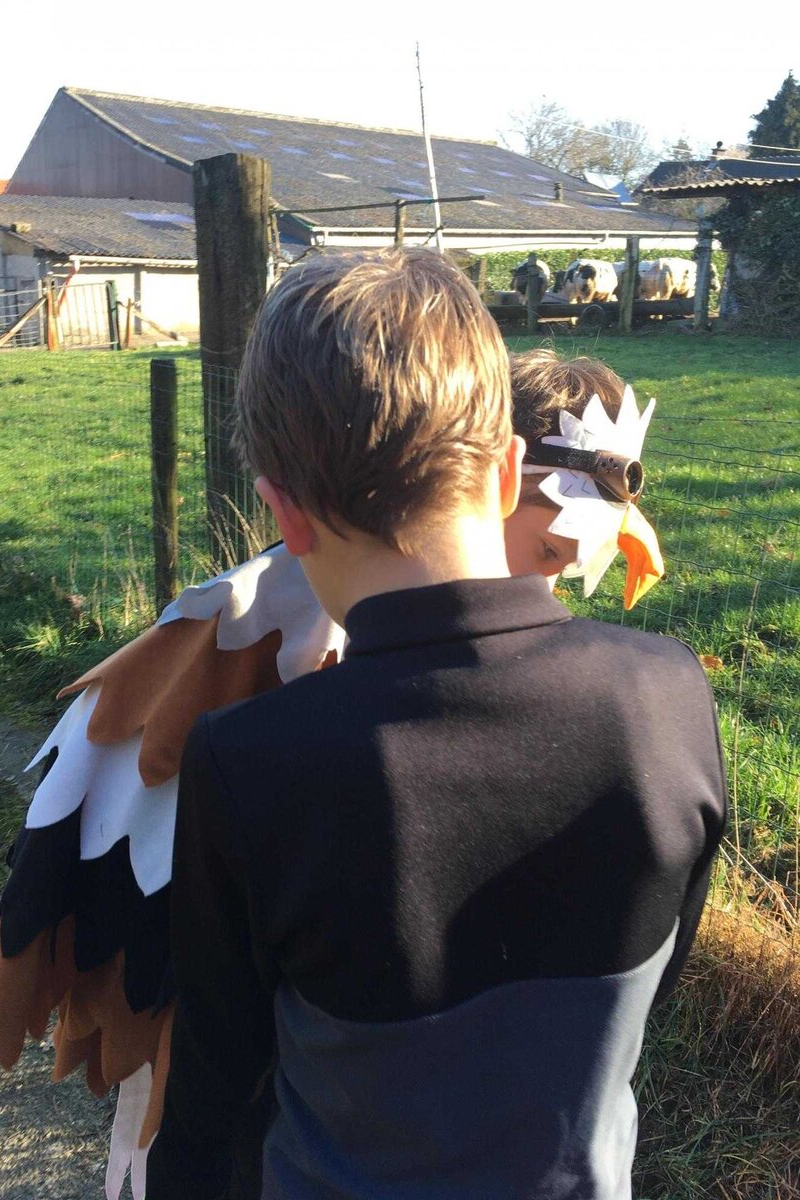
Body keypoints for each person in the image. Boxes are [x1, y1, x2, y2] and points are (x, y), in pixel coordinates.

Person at [0, 333, 668, 1200]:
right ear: (494, 478)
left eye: (566, 571)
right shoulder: (249, 625)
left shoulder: (587, 690)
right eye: (547, 556)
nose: (542, 596)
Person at [141, 249, 726, 1197]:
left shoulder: (247, 762)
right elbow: (651, 990)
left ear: (284, 512)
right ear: (508, 472)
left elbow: (216, 1092)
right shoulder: (670, 697)